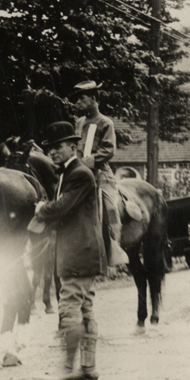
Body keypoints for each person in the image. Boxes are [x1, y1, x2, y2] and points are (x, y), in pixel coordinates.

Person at [32, 122, 107, 380]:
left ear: (73, 146)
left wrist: (41, 208)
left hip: (78, 251)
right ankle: (87, 367)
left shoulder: (80, 173)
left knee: (68, 308)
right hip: (80, 251)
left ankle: (67, 368)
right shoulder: (69, 173)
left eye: (58, 146)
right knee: (85, 308)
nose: (52, 152)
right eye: (49, 148)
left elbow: (61, 208)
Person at [70, 81, 128, 267]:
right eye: (77, 99)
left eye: (82, 98)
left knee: (110, 207)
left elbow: (109, 150)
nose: (78, 102)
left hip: (100, 172)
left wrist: (88, 161)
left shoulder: (105, 122)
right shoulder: (79, 122)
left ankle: (114, 247)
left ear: (94, 99)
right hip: (79, 171)